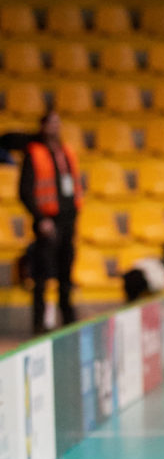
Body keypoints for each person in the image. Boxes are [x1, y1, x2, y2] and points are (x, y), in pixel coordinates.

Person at [18, 112, 80, 335]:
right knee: (42, 277)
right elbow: (24, 192)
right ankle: (39, 325)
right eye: (51, 123)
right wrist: (40, 218)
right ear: (43, 126)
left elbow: (73, 188)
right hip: (46, 223)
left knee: (66, 275)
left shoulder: (66, 152)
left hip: (67, 222)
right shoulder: (33, 154)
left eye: (58, 122)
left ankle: (69, 323)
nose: (55, 127)